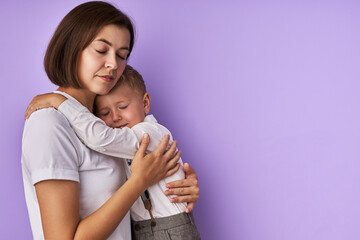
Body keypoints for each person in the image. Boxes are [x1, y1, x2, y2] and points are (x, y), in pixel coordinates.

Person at [22, 2, 199, 239]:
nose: (114, 64)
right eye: (101, 50)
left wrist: (175, 186)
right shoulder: (50, 123)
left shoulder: (106, 123)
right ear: (72, 48)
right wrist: (139, 182)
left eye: (122, 55)